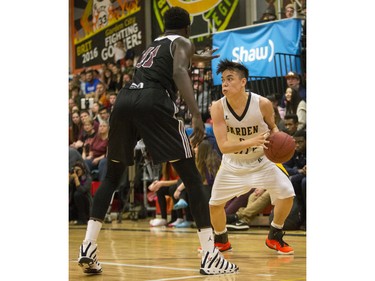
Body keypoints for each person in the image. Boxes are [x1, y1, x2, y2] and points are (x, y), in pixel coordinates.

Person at [77, 6, 238, 276]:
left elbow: (176, 58)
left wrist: (198, 57)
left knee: (111, 176)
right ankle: (210, 255)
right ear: (187, 28)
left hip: (125, 101)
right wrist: (196, 115)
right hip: (154, 101)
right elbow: (178, 70)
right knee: (192, 178)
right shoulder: (184, 42)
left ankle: (88, 246)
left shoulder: (154, 45)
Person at [209, 59, 295, 255]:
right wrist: (252, 140)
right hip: (233, 164)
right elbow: (223, 146)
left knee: (287, 193)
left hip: (262, 161)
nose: (225, 83)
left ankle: (275, 235)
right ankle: (221, 239)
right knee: (214, 205)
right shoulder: (218, 107)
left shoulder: (262, 103)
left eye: (230, 79)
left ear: (243, 82)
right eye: (223, 79)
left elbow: (273, 127)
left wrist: (275, 137)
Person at [283, 129, 306, 230]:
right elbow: (284, 167)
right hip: (300, 176)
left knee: (305, 182)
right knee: (295, 180)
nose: (297, 145)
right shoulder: (294, 152)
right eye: (295, 142)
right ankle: (300, 216)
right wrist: (298, 170)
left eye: (300, 142)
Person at [148, 161, 184, 227]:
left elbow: (179, 181)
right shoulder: (166, 164)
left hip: (182, 187)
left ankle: (180, 217)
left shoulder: (179, 163)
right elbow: (165, 179)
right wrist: (155, 184)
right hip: (175, 187)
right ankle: (163, 218)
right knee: (159, 190)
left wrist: (161, 183)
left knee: (172, 189)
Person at [69, 160, 93, 225]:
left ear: (83, 170)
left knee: (78, 194)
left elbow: (82, 191)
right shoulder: (72, 177)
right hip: (73, 203)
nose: (77, 171)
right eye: (75, 170)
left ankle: (83, 219)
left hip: (85, 203)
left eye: (78, 170)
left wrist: (76, 179)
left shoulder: (87, 178)